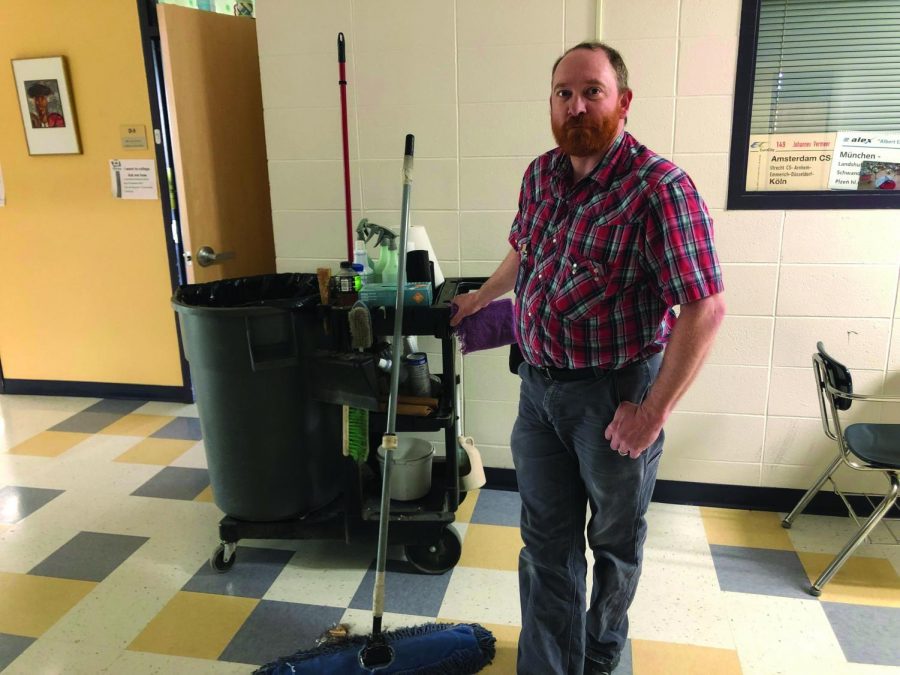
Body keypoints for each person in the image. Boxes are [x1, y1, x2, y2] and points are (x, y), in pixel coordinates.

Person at [450, 42, 726, 675]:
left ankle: (599, 656)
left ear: (622, 102)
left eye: (592, 92)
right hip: (537, 392)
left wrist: (651, 413)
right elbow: (526, 250)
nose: (576, 106)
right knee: (545, 545)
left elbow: (705, 310)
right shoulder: (542, 173)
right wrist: (481, 298)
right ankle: (550, 667)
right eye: (563, 93)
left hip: (613, 401)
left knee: (613, 544)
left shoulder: (659, 190)